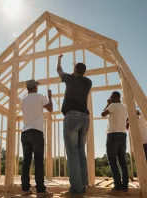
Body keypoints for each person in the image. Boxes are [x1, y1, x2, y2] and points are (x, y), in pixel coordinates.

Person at [56, 54, 92, 197]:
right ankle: (83, 186)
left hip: (72, 117)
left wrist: (59, 59)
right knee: (81, 152)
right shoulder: (88, 82)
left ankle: (75, 190)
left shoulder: (70, 78)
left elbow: (59, 70)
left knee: (72, 153)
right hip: (85, 118)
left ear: (75, 69)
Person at [20, 79, 53, 197]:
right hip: (36, 132)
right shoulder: (40, 96)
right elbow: (50, 109)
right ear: (35, 87)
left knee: (26, 162)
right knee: (38, 161)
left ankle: (25, 189)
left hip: (25, 133)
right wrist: (49, 97)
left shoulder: (23, 100)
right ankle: (40, 190)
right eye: (37, 85)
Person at [101, 91, 128, 195]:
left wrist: (108, 103)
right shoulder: (125, 107)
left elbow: (103, 114)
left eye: (111, 97)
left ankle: (117, 187)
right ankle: (125, 186)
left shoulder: (112, 105)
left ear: (116, 97)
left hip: (113, 135)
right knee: (122, 161)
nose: (110, 98)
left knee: (112, 160)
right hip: (123, 135)